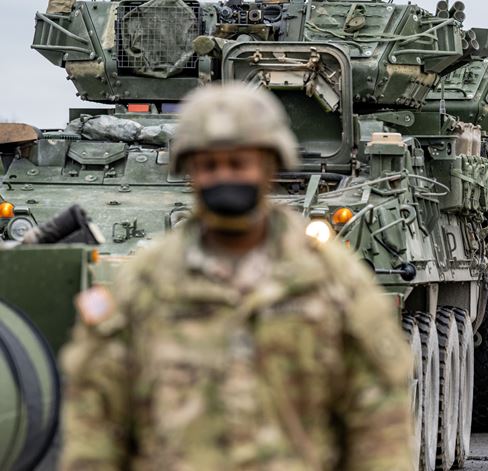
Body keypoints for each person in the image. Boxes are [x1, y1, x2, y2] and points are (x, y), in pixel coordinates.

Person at [60, 83, 414, 470]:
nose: (224, 176)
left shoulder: (330, 280)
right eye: (210, 165)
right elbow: (97, 419)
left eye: (238, 163)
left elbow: (378, 420)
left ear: (268, 166)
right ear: (190, 171)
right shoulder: (145, 283)